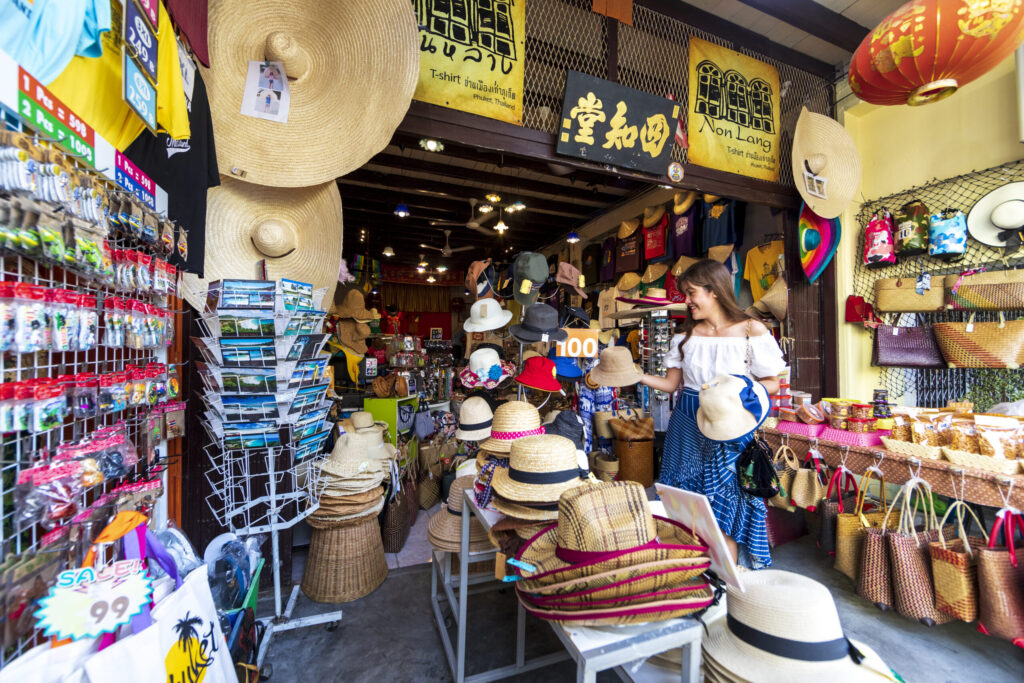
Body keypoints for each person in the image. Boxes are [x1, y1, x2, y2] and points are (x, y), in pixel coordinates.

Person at [638, 259, 784, 569]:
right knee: (684, 495)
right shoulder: (685, 335)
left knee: (726, 496)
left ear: (714, 291)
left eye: (691, 293)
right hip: (688, 419)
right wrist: (635, 374)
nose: (687, 301)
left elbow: (773, 380)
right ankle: (691, 569)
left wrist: (738, 391)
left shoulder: (750, 330)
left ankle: (726, 574)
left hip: (732, 419)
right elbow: (671, 385)